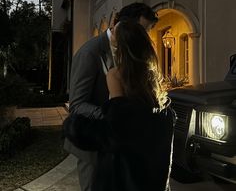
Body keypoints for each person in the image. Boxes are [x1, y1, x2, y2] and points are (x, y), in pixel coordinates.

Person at [64, 20, 175, 191]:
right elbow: (78, 104)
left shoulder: (117, 84)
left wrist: (115, 101)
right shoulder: (165, 114)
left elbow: (113, 127)